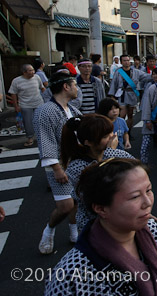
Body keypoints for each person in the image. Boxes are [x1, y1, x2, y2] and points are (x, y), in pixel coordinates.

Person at [45, 158, 157, 295]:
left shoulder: (154, 231)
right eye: (135, 196)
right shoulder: (71, 273)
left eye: (148, 190)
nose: (148, 202)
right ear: (101, 209)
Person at [34, 72, 81, 254]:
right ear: (66, 87)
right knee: (65, 206)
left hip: (75, 161)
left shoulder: (72, 109)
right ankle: (49, 230)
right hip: (59, 165)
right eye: (74, 85)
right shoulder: (45, 111)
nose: (76, 88)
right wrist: (56, 168)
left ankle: (74, 232)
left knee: (77, 200)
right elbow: (46, 141)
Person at [61, 114, 133, 231]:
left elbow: (137, 170)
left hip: (124, 216)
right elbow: (100, 193)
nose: (112, 137)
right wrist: (110, 153)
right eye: (105, 136)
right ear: (88, 142)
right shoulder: (76, 167)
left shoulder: (116, 154)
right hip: (95, 224)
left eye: (111, 132)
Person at [108, 54, 150, 132]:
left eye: (128, 60)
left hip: (132, 94)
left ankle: (128, 132)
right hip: (122, 94)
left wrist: (156, 76)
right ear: (121, 62)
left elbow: (146, 77)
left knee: (130, 114)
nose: (127, 62)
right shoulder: (118, 72)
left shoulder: (136, 72)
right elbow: (114, 84)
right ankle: (120, 131)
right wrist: (112, 96)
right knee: (122, 114)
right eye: (124, 61)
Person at [8, 64, 45, 147]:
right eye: (30, 70)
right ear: (24, 72)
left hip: (39, 103)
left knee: (41, 120)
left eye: (33, 70)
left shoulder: (37, 77)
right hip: (25, 104)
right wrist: (16, 106)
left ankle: (42, 137)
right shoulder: (16, 81)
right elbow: (13, 94)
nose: (33, 72)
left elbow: (42, 88)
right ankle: (30, 138)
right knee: (28, 122)